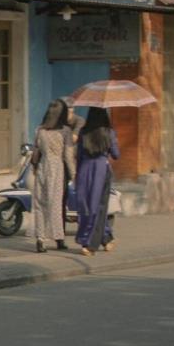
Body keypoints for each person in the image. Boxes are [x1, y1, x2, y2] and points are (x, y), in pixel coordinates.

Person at [30, 100, 76, 253]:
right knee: (55, 204)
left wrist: (34, 167)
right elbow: (68, 156)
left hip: (42, 167)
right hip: (57, 169)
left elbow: (36, 152)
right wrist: (74, 174)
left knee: (40, 204)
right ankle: (58, 238)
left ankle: (40, 239)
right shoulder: (65, 131)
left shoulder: (40, 130)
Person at [74, 107, 120, 256]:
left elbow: (79, 155)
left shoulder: (83, 132)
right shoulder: (109, 132)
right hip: (101, 170)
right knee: (98, 207)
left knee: (88, 205)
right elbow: (116, 155)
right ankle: (89, 244)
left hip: (84, 170)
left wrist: (77, 174)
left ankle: (107, 238)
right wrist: (113, 142)